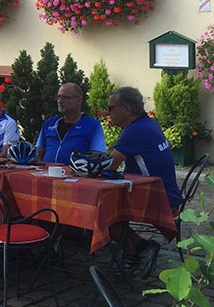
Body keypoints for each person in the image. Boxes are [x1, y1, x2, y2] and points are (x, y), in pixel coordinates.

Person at [107, 86, 180, 278]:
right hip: (168, 192)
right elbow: (168, 145)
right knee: (106, 207)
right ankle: (138, 249)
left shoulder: (135, 131)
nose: (108, 114)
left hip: (160, 199)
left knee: (101, 211)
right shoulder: (149, 123)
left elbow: (109, 165)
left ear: (127, 109)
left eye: (111, 108)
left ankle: (138, 250)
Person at [36, 82, 106, 164]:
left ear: (78, 100)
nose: (60, 101)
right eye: (58, 97)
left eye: (65, 97)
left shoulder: (92, 126)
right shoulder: (49, 123)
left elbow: (98, 158)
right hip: (48, 171)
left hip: (75, 172)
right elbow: (38, 154)